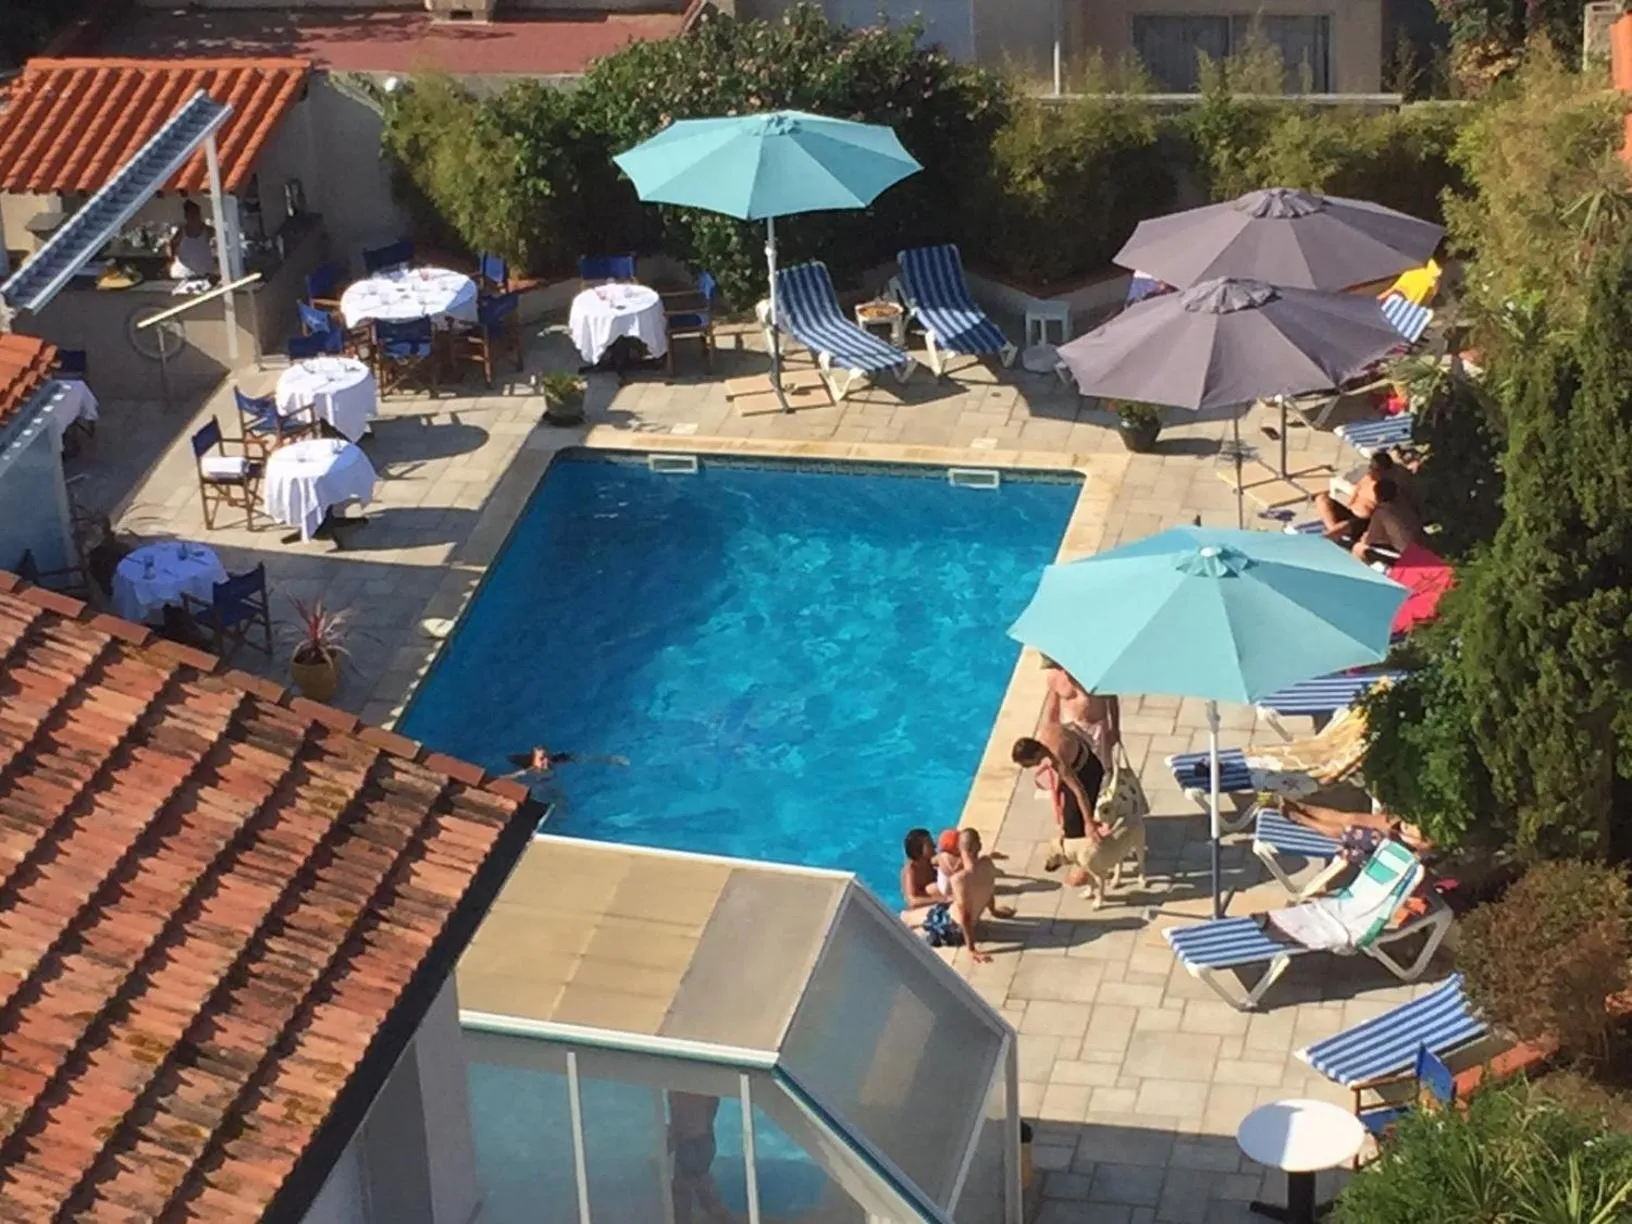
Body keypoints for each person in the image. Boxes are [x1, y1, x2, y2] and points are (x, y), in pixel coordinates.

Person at [1013, 734, 1106, 859]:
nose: (1028, 767)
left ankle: (1088, 853)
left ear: (1035, 755)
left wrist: (1088, 822)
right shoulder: (1045, 732)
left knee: (1075, 824)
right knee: (1067, 817)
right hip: (1077, 760)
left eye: (1028, 764)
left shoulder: (1059, 762)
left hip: (1089, 772)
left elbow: (1079, 792)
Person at [1313, 451, 1411, 546]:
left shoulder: (1386, 488)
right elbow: (1356, 492)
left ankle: (1327, 537)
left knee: (1345, 525)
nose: (1373, 471)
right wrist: (1350, 505)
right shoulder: (1367, 478)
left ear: (1385, 471)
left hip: (1364, 523)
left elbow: (1383, 513)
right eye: (1372, 468)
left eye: (1377, 470)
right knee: (1321, 498)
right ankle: (1334, 531)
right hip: (1351, 513)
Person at [1041, 656, 1120, 771]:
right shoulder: (1054, 677)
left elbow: (1111, 699)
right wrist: (1050, 734)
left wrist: (1115, 728)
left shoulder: (1094, 675)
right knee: (1076, 766)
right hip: (1071, 727)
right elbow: (1053, 707)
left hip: (1095, 727)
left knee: (1103, 767)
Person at [668, 1092, 734, 1224]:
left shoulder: (679, 1081)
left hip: (692, 1140)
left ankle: (723, 1219)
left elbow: (679, 1116)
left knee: (688, 1191)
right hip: (701, 1138)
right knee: (693, 1190)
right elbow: (713, 1103)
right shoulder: (700, 1083)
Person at [949, 828, 1008, 964]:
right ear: (979, 846)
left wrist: (971, 949)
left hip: (954, 929)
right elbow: (989, 889)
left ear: (958, 848)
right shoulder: (987, 864)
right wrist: (993, 911)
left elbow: (964, 916)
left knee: (916, 917)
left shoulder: (958, 879)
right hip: (972, 920)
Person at [1351, 477, 1420, 561]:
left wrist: (1364, 539)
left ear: (1377, 496)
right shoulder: (1405, 505)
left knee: (1358, 548)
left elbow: (1371, 539)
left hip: (1401, 553)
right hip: (1418, 544)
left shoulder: (1381, 512)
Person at [899, 827, 946, 919]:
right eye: (929, 844)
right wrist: (942, 899)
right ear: (918, 849)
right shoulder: (911, 870)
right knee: (933, 888)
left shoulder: (929, 861)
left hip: (934, 902)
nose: (934, 845)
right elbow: (912, 901)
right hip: (920, 910)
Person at [167, 200, 216, 280]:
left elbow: (219, 242)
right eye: (191, 214)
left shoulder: (208, 230)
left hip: (204, 273)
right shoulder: (181, 232)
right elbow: (171, 246)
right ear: (186, 216)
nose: (194, 217)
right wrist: (172, 258)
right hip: (184, 273)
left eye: (196, 214)